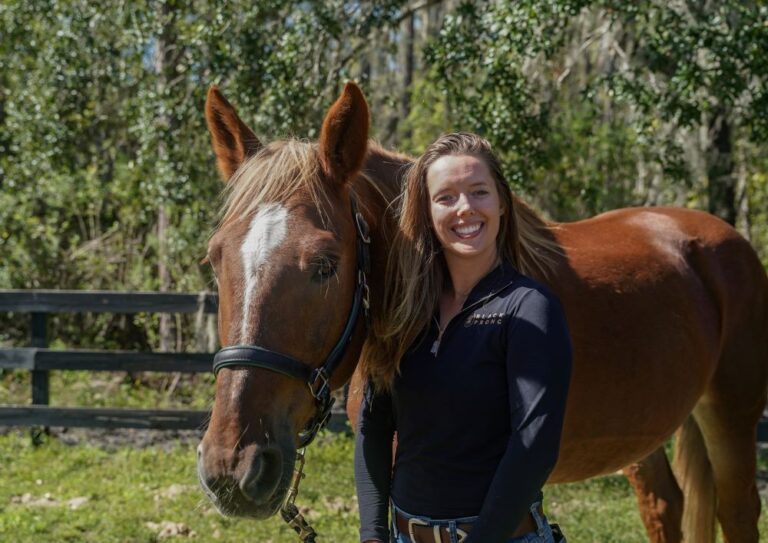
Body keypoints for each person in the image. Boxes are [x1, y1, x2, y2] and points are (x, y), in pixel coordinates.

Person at [354, 132, 572, 543]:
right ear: (426, 210)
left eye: (479, 192)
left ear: (502, 203)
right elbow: (373, 427)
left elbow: (534, 447)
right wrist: (372, 535)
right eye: (446, 197)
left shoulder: (529, 308)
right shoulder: (402, 311)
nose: (465, 208)